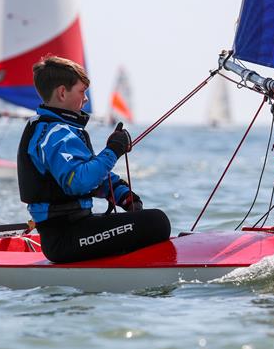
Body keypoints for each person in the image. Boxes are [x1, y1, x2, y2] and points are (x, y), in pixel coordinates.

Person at [17, 55, 171, 263]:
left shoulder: (60, 130)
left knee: (150, 220)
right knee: (157, 222)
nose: (86, 99)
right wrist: (113, 151)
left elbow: (91, 175)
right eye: (82, 92)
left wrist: (123, 195)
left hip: (76, 227)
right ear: (62, 93)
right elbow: (79, 182)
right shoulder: (54, 134)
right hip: (63, 239)